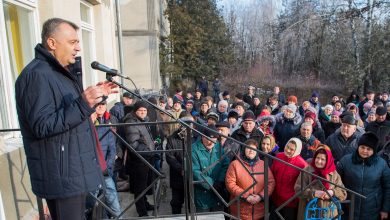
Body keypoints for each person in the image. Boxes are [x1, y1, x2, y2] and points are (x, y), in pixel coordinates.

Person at [15, 18, 118, 220]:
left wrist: (96, 97)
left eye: (78, 42)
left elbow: (71, 113)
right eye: (72, 42)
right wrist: (83, 103)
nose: (78, 48)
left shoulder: (59, 73)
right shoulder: (36, 75)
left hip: (74, 171)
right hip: (61, 176)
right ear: (52, 43)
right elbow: (42, 125)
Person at [337, 132, 390, 220]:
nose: (364, 151)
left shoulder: (382, 164)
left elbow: (388, 187)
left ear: (374, 150)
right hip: (348, 207)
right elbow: (336, 182)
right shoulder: (345, 161)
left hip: (372, 210)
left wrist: (385, 209)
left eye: (369, 149)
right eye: (362, 147)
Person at [225, 139, 276, 220]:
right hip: (240, 211)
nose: (251, 151)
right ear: (244, 149)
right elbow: (230, 183)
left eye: (253, 148)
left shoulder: (263, 164)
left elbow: (270, 182)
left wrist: (260, 196)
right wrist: (246, 196)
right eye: (248, 148)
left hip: (259, 210)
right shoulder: (235, 164)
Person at [124, 101, 157, 217]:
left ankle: (145, 204)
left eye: (145, 111)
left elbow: (145, 138)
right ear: (135, 111)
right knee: (139, 187)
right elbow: (133, 145)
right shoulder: (131, 123)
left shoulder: (143, 120)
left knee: (144, 185)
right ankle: (142, 212)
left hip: (146, 157)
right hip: (138, 160)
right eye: (140, 111)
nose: (143, 113)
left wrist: (153, 144)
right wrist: (149, 149)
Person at [294, 147, 347, 219]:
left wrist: (332, 192)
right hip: (309, 213)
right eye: (317, 158)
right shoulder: (307, 171)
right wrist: (314, 193)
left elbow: (343, 192)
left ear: (328, 161)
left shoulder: (334, 173)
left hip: (329, 214)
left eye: (322, 159)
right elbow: (298, 189)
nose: (319, 161)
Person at [192, 125, 229, 212]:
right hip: (202, 195)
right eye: (208, 139)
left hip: (218, 194)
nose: (211, 142)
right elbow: (195, 172)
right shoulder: (193, 150)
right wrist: (212, 184)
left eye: (214, 140)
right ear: (202, 136)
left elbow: (225, 164)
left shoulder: (218, 146)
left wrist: (220, 181)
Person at [270, 138, 308, 220]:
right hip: (275, 199)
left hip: (290, 203)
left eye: (292, 149)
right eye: (287, 147)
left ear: (297, 150)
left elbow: (302, 185)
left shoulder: (302, 165)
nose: (288, 150)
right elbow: (272, 174)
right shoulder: (279, 156)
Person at [165, 113, 194, 214]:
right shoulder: (172, 138)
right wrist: (181, 168)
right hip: (178, 175)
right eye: (185, 123)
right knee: (176, 202)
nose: (188, 127)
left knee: (192, 202)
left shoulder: (196, 136)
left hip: (193, 175)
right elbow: (169, 157)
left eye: (190, 123)